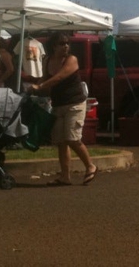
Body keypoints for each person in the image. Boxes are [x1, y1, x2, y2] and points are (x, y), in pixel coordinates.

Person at [29, 32, 97, 186]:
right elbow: (44, 79)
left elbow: (59, 77)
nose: (66, 46)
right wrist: (33, 88)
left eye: (67, 43)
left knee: (72, 138)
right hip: (58, 104)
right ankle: (65, 176)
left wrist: (40, 86)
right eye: (62, 43)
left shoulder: (71, 60)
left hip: (75, 104)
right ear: (53, 46)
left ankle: (90, 166)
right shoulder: (47, 61)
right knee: (60, 141)